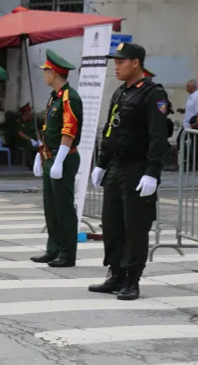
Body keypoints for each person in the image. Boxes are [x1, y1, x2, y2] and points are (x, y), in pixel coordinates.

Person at [88, 42, 170, 301]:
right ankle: (115, 274)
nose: (117, 66)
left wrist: (152, 172)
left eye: (121, 61)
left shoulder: (152, 94)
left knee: (135, 226)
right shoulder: (120, 93)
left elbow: (158, 137)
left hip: (137, 168)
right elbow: (110, 130)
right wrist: (101, 162)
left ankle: (132, 280)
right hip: (116, 167)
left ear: (136, 63)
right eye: (116, 61)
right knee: (112, 224)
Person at [30, 50, 83, 268]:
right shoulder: (55, 97)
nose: (43, 74)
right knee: (50, 208)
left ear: (53, 73)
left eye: (45, 71)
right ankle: (53, 249)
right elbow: (49, 130)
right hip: (49, 157)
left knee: (63, 208)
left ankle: (67, 253)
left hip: (64, 158)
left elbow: (69, 130)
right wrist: (39, 154)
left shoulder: (70, 97)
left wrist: (60, 160)